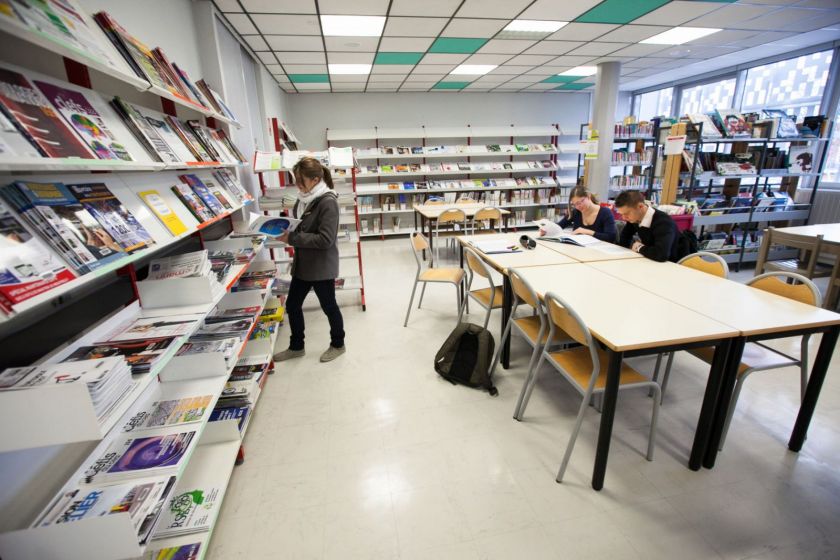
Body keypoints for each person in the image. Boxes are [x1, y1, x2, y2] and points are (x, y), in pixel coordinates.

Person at [273, 157, 346, 363]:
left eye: (300, 180)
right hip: (303, 264)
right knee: (293, 305)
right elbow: (301, 225)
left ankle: (338, 344)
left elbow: (326, 239)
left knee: (329, 306)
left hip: (321, 266)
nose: (297, 184)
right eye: (295, 179)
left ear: (315, 179)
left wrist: (292, 238)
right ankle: (297, 346)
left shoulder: (328, 201)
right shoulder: (303, 197)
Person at [615, 190, 680, 262]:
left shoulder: (664, 222)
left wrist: (639, 248)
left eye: (626, 213)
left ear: (640, 206)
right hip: (649, 259)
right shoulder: (635, 217)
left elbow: (661, 254)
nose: (624, 218)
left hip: (671, 264)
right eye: (622, 214)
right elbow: (625, 236)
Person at [546, 186, 617, 242]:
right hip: (579, 251)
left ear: (588, 196)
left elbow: (610, 237)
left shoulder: (605, 213)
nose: (578, 206)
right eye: (575, 204)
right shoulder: (576, 212)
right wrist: (548, 230)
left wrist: (587, 232)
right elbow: (559, 226)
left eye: (581, 202)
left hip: (599, 252)